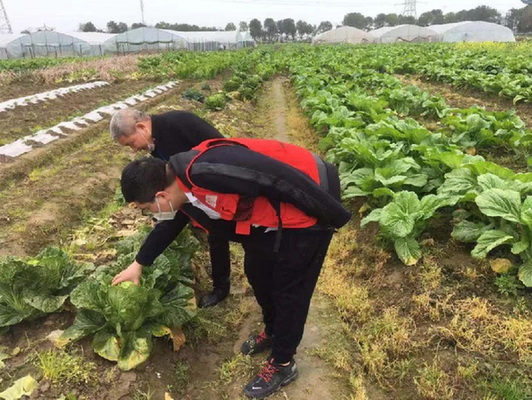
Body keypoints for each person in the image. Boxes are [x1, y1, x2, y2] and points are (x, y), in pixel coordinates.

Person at [112, 137, 351, 398]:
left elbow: (279, 177)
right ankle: (273, 330)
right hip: (273, 214)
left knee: (290, 289)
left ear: (160, 195)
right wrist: (139, 264)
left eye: (147, 208)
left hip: (312, 194)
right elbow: (169, 225)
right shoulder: (180, 192)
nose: (151, 214)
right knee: (257, 272)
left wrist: (333, 214)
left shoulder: (205, 170)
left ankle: (283, 363)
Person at [109, 108, 231, 308]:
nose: (133, 150)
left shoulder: (179, 123)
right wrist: (141, 261)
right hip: (197, 199)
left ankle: (225, 288)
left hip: (224, 193)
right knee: (215, 233)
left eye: (131, 143)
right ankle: (221, 287)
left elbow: (224, 151)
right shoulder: (155, 147)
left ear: (141, 127)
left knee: (224, 236)